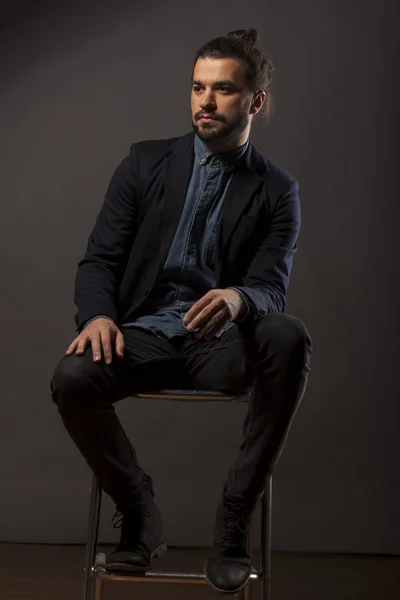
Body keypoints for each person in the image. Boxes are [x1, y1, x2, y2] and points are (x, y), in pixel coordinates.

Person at [51, 28, 313, 595]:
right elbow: (99, 260)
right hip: (142, 336)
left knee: (288, 335)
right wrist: (98, 317)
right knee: (72, 375)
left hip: (221, 347)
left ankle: (233, 523)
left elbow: (271, 288)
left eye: (222, 89)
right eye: (198, 87)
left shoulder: (277, 189)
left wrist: (239, 297)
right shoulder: (144, 163)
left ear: (255, 102)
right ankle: (140, 513)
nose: (205, 101)